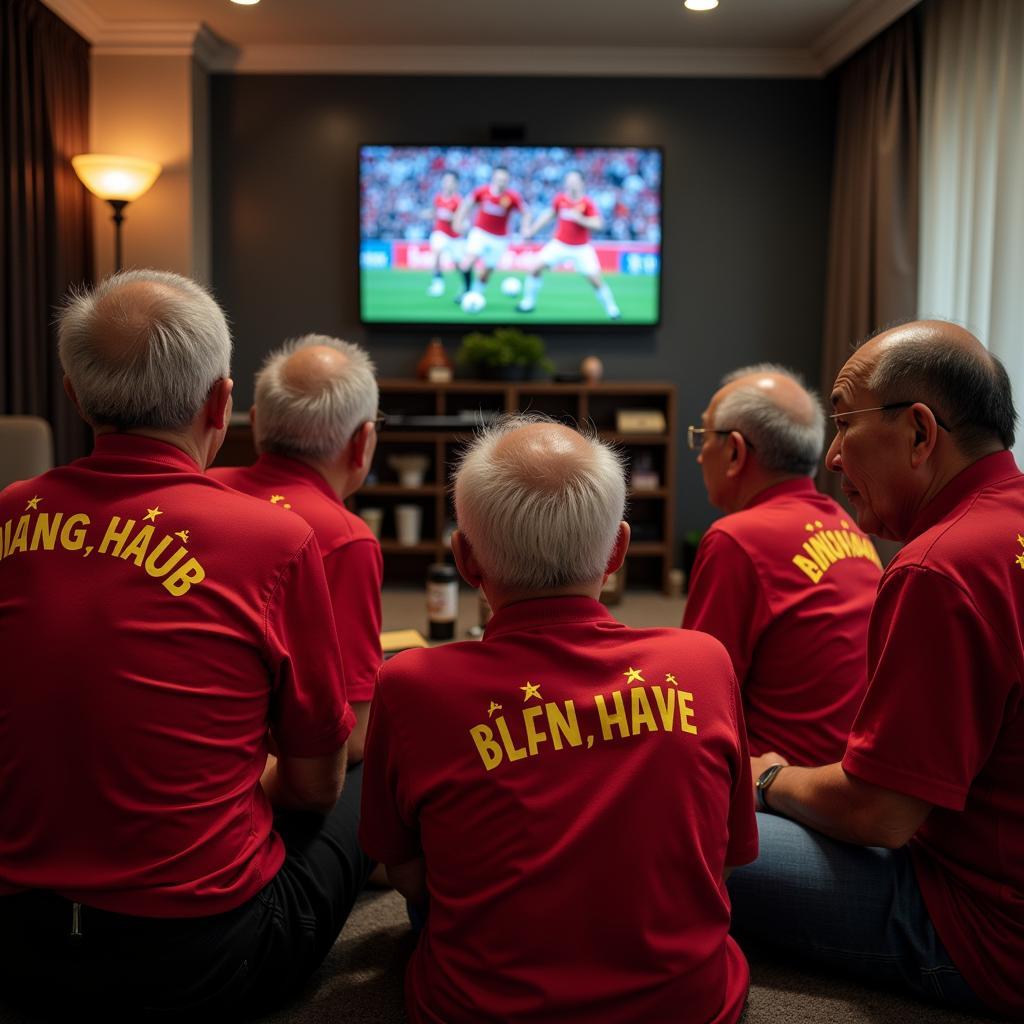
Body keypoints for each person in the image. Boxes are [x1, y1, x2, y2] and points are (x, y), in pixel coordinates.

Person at [0, 270, 372, 1018]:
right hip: (200, 961)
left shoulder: (10, 513)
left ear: (74, 396)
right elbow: (312, 788)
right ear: (221, 403)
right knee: (371, 758)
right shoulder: (275, 539)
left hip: (15, 943)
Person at [360, 415, 758, 1024]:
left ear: (465, 559)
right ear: (618, 551)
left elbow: (406, 875)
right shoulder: (703, 663)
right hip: (691, 1008)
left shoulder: (411, 684)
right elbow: (725, 860)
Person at [729, 321, 1024, 1019]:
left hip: (981, 929)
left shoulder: (939, 566)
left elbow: (881, 813)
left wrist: (769, 776)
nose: (831, 457)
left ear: (920, 433)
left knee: (680, 826)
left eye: (844, 424)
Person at [683, 365, 881, 766]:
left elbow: (696, 700)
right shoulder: (852, 529)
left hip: (781, 790)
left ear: (735, 451)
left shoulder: (736, 539)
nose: (701, 453)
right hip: (850, 773)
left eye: (703, 437)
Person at [211, 334, 383, 762]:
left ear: (254, 423)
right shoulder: (347, 538)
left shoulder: (200, 487)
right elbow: (354, 738)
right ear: (363, 442)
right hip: (261, 776)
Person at [517, 170, 621, 320]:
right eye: (568, 180)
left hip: (581, 248)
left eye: (574, 180)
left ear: (581, 183)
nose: (571, 183)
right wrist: (532, 230)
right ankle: (527, 303)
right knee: (534, 268)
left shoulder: (587, 203)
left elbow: (598, 224)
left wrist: (580, 219)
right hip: (559, 244)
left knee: (596, 281)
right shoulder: (560, 199)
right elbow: (549, 215)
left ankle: (612, 310)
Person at [452, 165, 531, 308]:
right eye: (499, 179)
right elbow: (466, 205)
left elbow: (526, 212)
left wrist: (525, 228)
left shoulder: (512, 197)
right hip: (480, 233)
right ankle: (467, 290)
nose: (501, 182)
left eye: (504, 180)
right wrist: (458, 221)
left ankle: (476, 295)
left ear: (508, 181)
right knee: (466, 263)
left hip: (499, 239)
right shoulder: (482, 191)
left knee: (486, 272)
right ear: (493, 178)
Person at [426, 171, 464, 297]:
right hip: (440, 232)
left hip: (455, 238)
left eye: (451, 181)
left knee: (459, 265)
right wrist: (428, 214)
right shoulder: (437, 198)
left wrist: (452, 217)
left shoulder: (459, 201)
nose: (448, 184)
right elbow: (433, 213)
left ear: (456, 184)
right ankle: (437, 282)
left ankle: (465, 286)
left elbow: (462, 221)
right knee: (437, 251)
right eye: (446, 181)